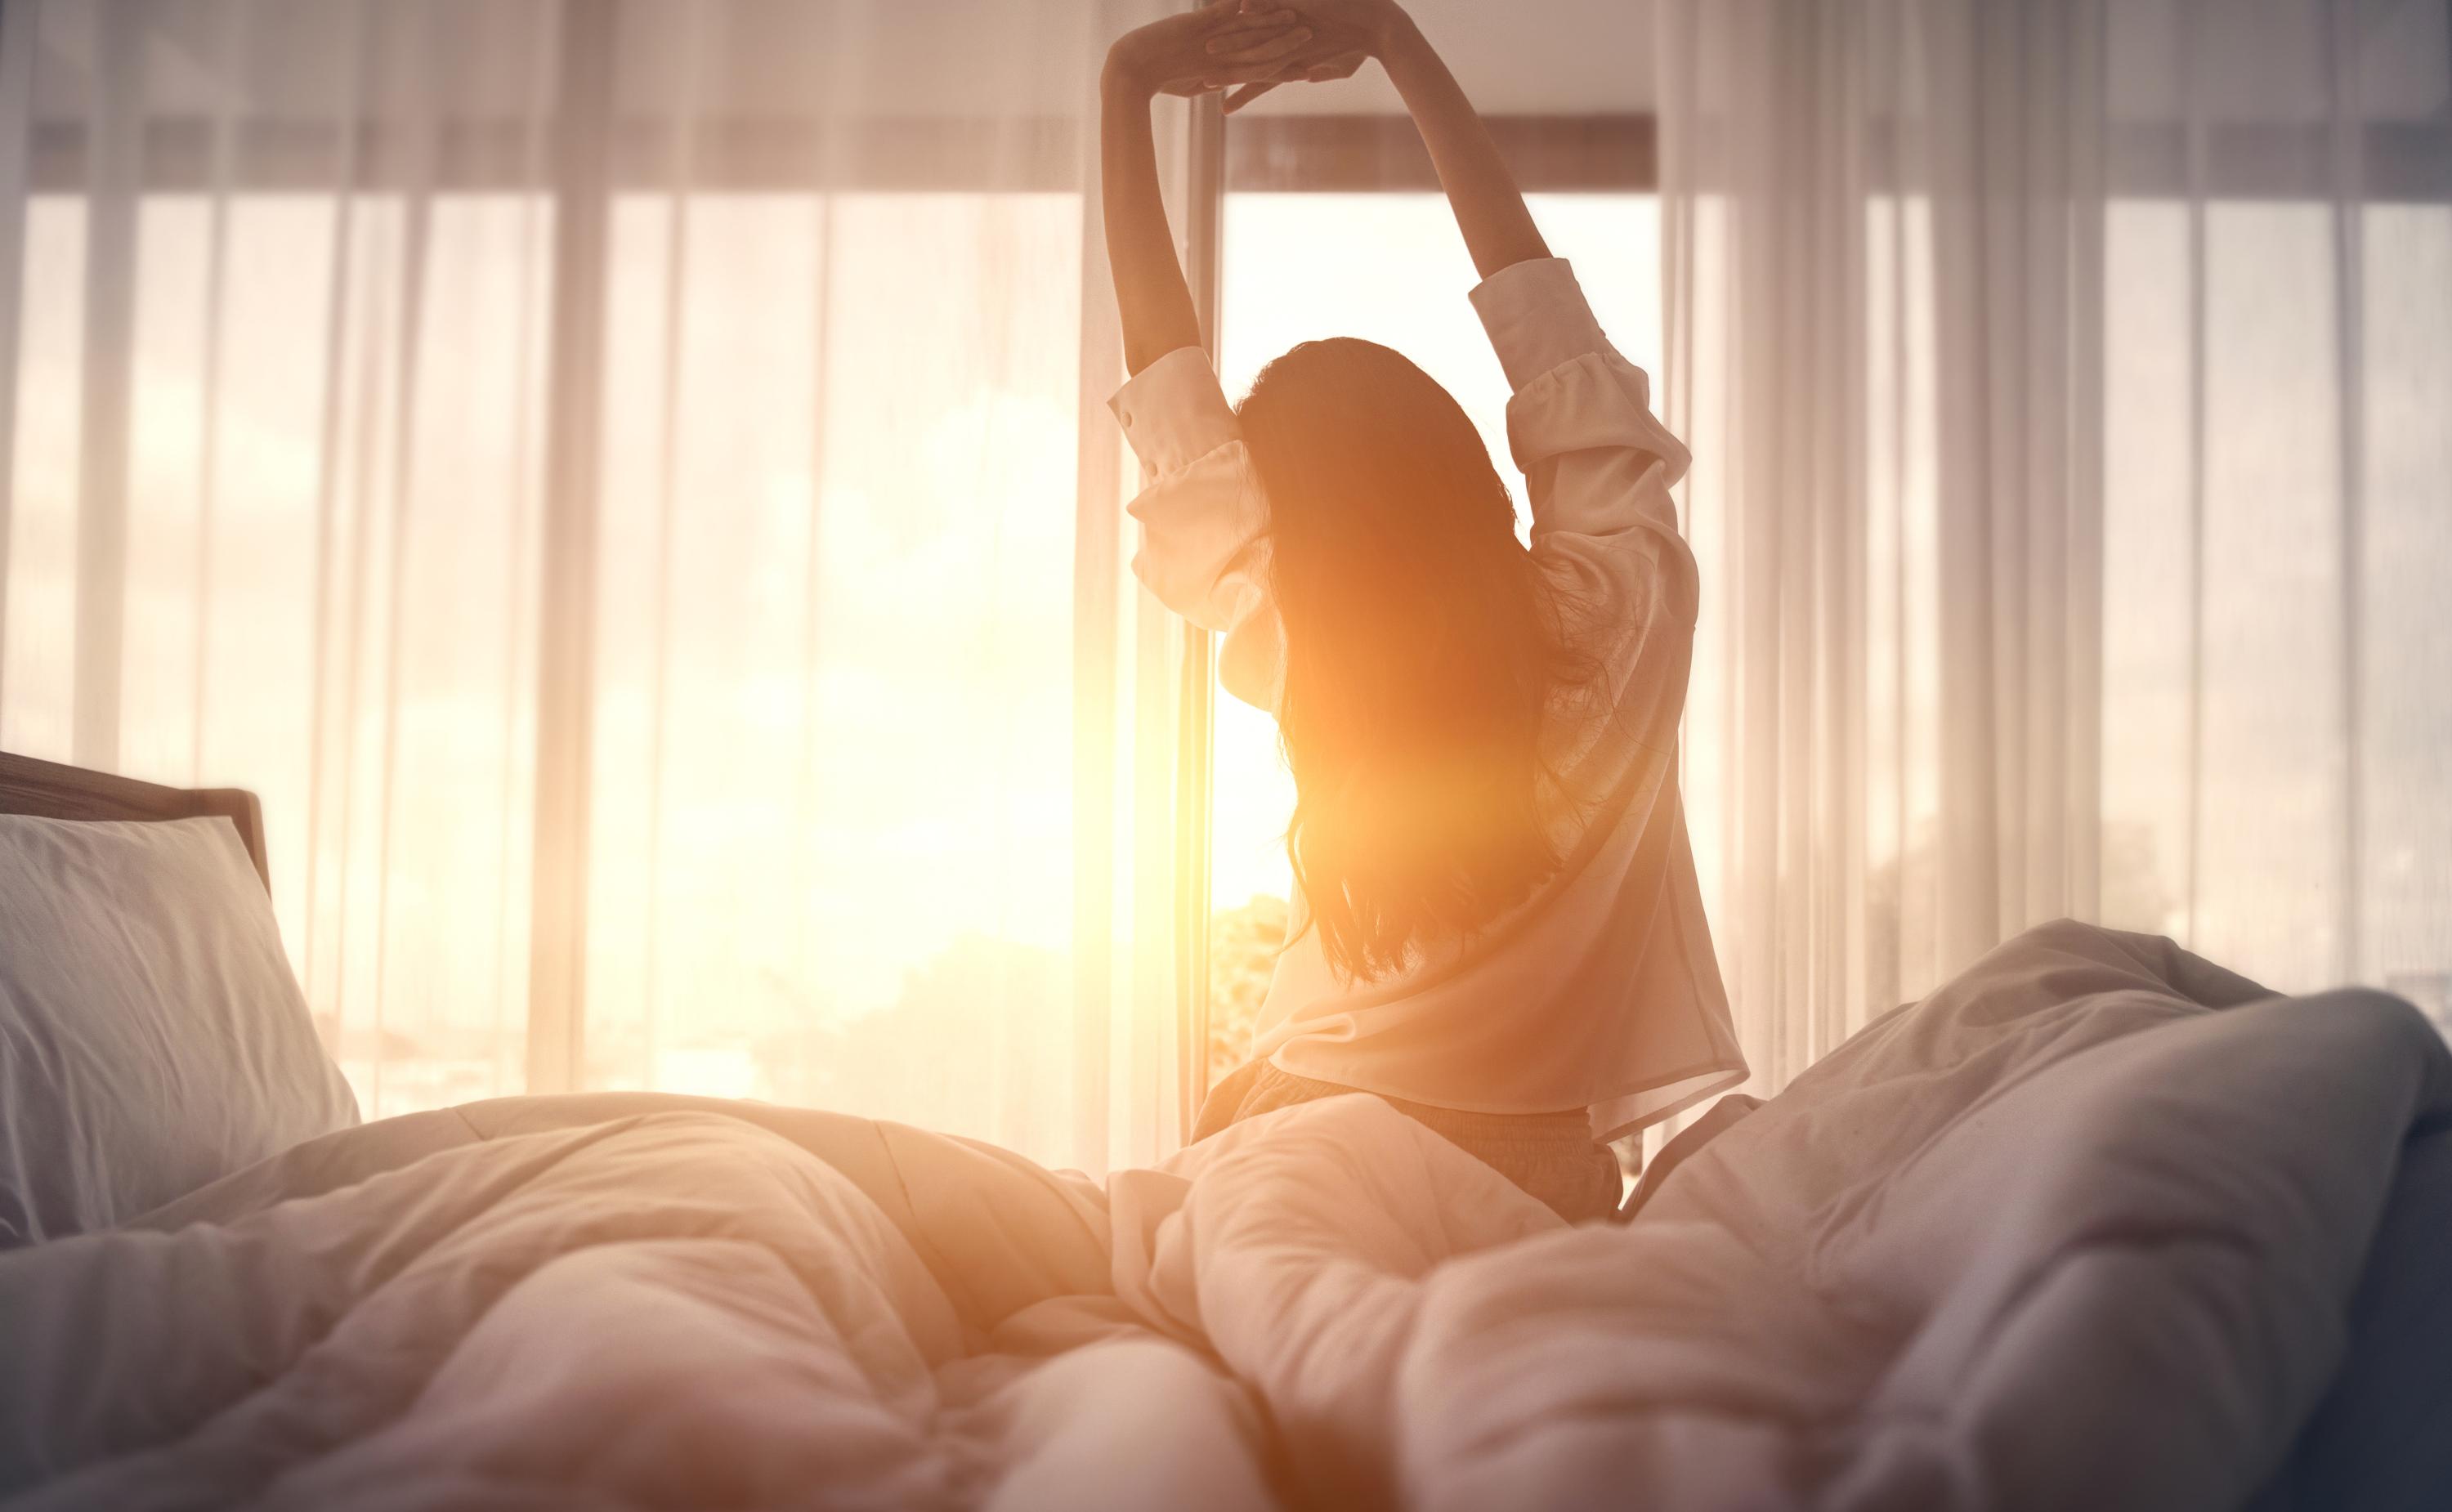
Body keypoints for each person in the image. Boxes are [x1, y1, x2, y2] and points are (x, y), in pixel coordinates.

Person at [1100, 0, 1745, 1223]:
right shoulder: (1629, 606)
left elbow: (1169, 389)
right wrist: (1395, 42)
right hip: (1539, 1171)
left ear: (1299, 527)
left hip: (1298, 1129)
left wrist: (1127, 86)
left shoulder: (1304, 641)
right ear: (1466, 466)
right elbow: (1547, 329)